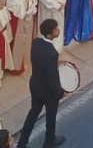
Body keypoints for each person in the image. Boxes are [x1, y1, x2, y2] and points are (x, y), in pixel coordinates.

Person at [15, 18, 66, 148]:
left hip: (35, 85)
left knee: (33, 113)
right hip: (48, 91)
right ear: (50, 34)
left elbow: (41, 62)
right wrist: (59, 91)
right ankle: (49, 141)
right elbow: (52, 77)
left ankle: (22, 143)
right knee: (51, 115)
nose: (58, 30)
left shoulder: (36, 43)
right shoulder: (52, 53)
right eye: (55, 29)